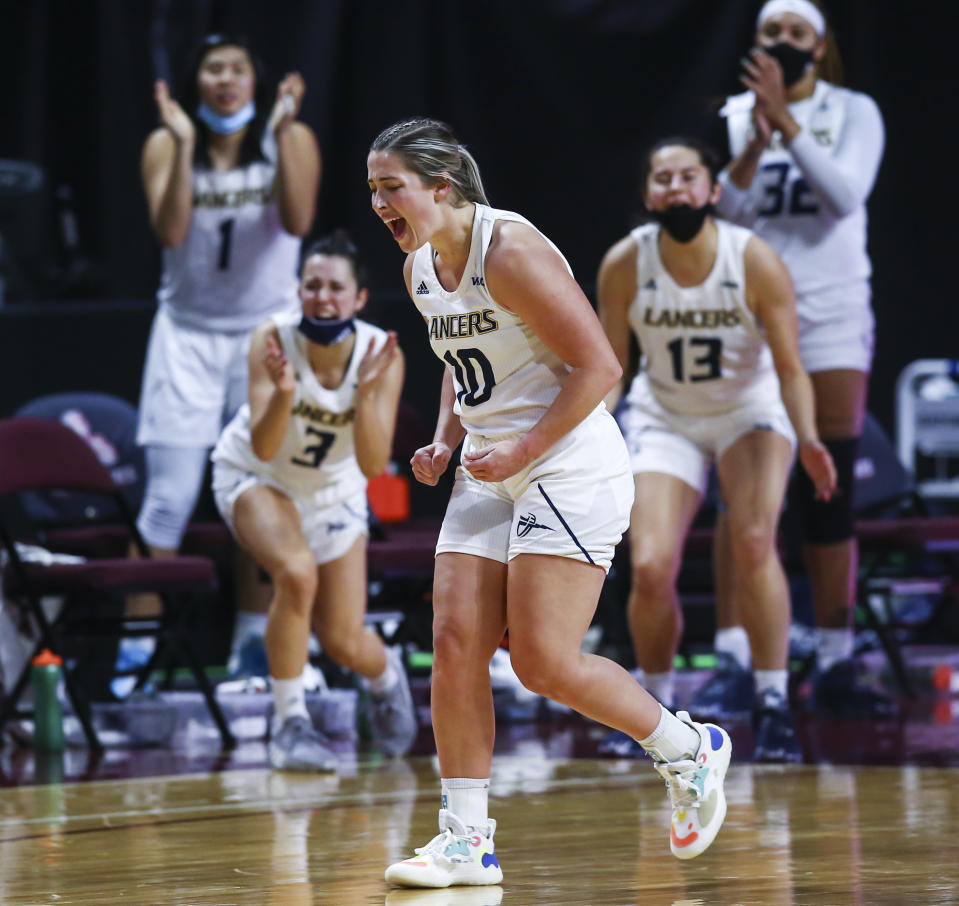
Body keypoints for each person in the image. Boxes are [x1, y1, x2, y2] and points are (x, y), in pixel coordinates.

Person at [367, 118, 732, 888]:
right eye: (372, 190)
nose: (378, 203)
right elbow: (459, 357)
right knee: (455, 639)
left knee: (541, 661)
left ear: (441, 188)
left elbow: (597, 367)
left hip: (567, 461)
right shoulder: (420, 268)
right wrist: (443, 438)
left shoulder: (510, 251)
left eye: (390, 187)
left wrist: (521, 453)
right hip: (488, 461)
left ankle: (685, 747)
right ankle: (466, 839)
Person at [597, 136, 836, 763]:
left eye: (688, 176)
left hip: (747, 410)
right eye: (663, 177)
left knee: (755, 541)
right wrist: (590, 432)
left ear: (713, 189)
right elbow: (611, 368)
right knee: (649, 565)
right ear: (649, 193)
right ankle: (652, 713)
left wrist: (808, 437)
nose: (676, 187)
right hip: (665, 413)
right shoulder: (625, 262)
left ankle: (773, 700)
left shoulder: (752, 258)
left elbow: (790, 367)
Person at [128, 33, 321, 689]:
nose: (226, 80)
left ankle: (251, 645)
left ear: (254, 79)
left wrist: (286, 130)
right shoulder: (165, 144)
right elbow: (170, 232)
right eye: (213, 68)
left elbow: (298, 221)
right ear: (196, 81)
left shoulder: (287, 139)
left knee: (257, 492)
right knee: (167, 501)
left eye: (238, 68)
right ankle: (134, 659)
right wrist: (183, 144)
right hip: (185, 335)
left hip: (264, 337)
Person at [711, 0, 887, 714]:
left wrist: (787, 123)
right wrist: (753, 141)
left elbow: (844, 196)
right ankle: (731, 653)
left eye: (794, 33)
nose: (781, 42)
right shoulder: (730, 114)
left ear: (818, 47)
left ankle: (837, 654)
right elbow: (721, 217)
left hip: (830, 311)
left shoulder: (853, 111)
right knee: (743, 492)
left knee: (828, 484)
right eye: (769, 34)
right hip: (749, 312)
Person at [211, 231, 416, 770]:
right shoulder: (270, 339)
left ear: (359, 298)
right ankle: (291, 724)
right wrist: (283, 393)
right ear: (298, 290)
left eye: (335, 287)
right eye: (312, 285)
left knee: (346, 640)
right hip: (258, 476)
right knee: (296, 574)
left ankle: (386, 676)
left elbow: (374, 466)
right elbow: (264, 444)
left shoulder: (381, 355)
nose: (322, 297)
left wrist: (366, 394)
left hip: (335, 490)